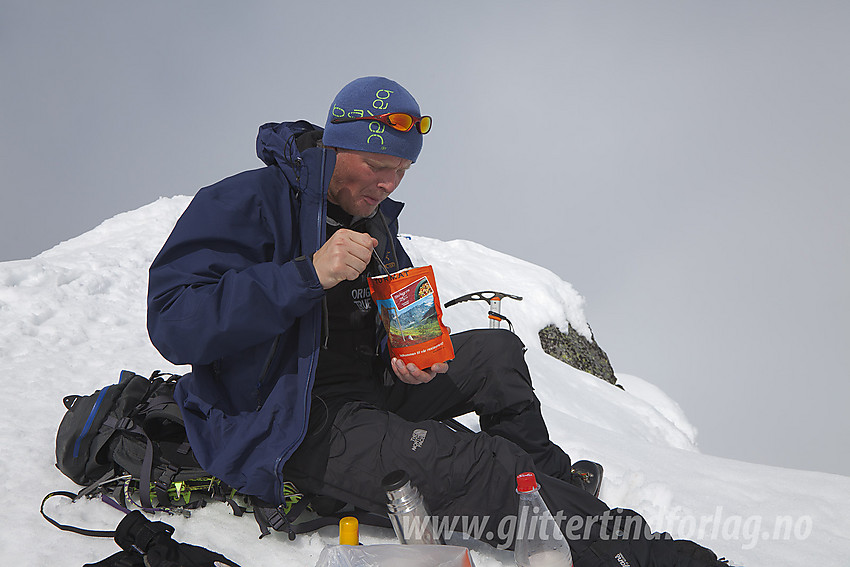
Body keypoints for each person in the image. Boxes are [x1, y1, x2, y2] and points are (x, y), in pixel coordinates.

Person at [147, 77, 727, 566]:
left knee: (496, 356)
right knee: (469, 462)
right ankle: (627, 549)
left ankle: (549, 485)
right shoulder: (247, 201)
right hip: (288, 420)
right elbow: (174, 322)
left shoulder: (373, 220)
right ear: (333, 149)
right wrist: (306, 274)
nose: (389, 183)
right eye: (377, 165)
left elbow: (375, 319)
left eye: (401, 170)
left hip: (371, 390)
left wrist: (406, 352)